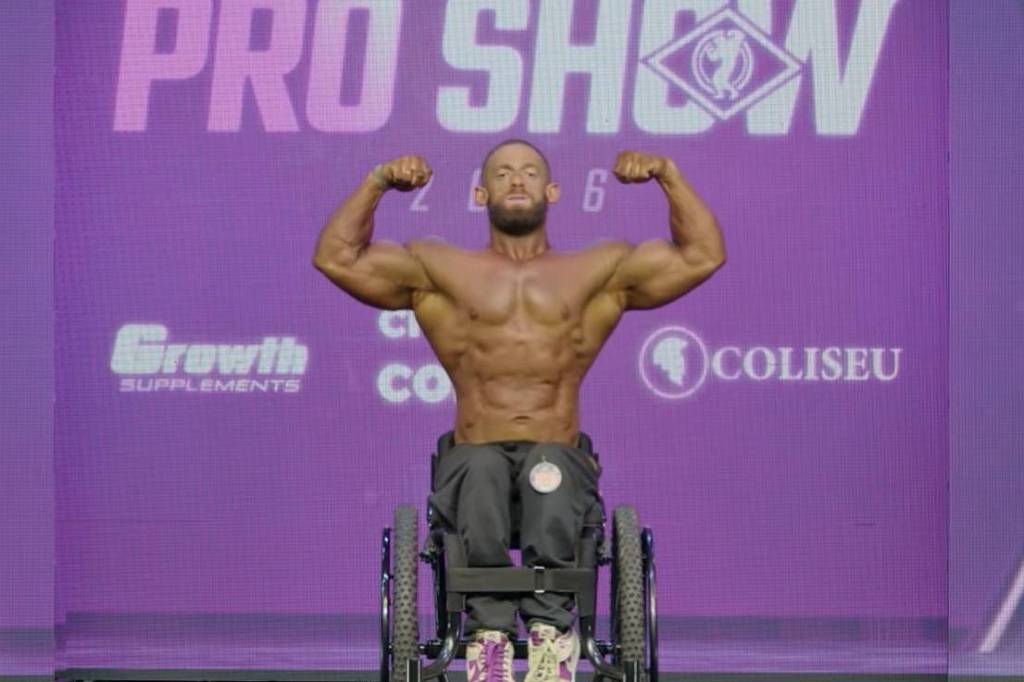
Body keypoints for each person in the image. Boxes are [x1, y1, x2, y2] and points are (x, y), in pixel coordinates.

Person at [313, 140, 725, 682]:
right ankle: (488, 637)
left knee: (545, 466)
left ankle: (551, 633)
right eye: (503, 173)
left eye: (529, 172)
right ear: (480, 194)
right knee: (482, 464)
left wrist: (667, 174)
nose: (516, 180)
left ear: (551, 191)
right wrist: (378, 180)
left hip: (558, 457)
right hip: (472, 459)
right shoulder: (441, 268)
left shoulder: (594, 270)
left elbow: (702, 255)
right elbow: (336, 257)